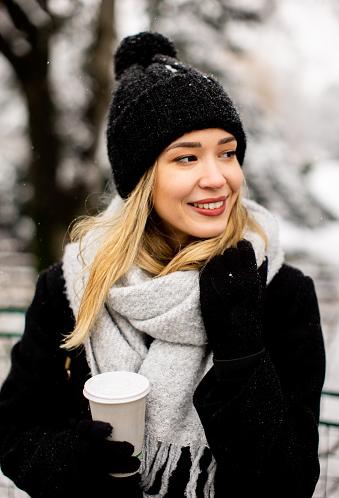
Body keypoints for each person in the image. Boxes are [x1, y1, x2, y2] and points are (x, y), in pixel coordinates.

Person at [0, 31, 325, 498]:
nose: (217, 178)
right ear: (141, 180)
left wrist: (240, 347)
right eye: (186, 157)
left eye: (228, 152)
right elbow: (15, 429)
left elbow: (287, 482)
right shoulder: (74, 286)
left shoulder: (280, 290)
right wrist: (71, 464)